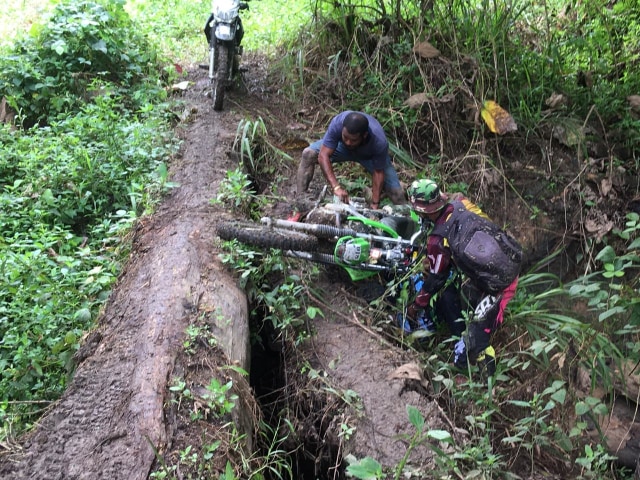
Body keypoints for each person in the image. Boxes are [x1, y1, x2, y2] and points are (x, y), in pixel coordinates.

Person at [401, 179, 521, 379]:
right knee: (449, 298)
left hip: (499, 285)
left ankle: (487, 386)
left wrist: (416, 306)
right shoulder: (462, 203)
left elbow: (436, 278)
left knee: (478, 340)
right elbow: (487, 224)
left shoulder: (437, 240)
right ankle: (459, 336)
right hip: (507, 256)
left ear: (425, 211)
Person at [296, 111, 406, 209]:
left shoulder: (379, 141)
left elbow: (378, 172)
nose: (348, 142)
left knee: (398, 194)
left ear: (364, 135)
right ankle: (300, 200)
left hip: (369, 156)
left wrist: (375, 203)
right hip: (341, 149)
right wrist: (336, 187)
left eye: (353, 140)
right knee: (308, 154)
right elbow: (323, 155)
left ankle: (408, 223)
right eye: (345, 137)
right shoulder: (338, 123)